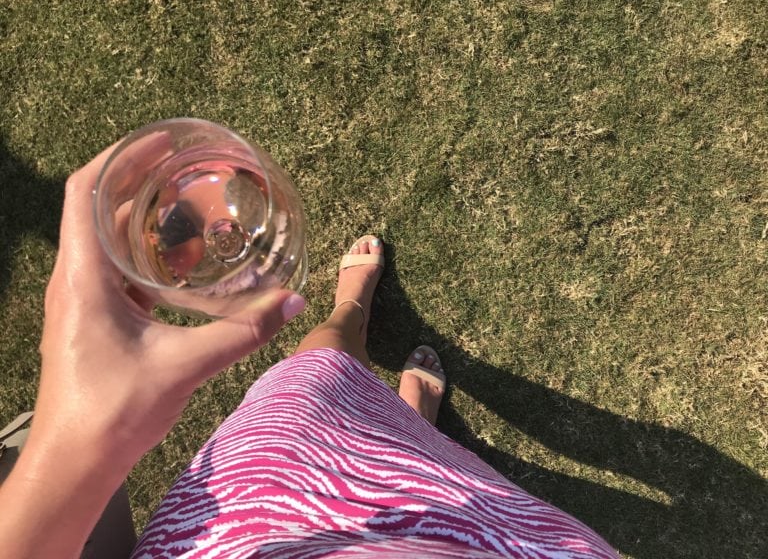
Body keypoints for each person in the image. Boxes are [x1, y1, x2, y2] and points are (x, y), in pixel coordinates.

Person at [0, 147, 619, 559]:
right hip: (474, 537)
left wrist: (77, 443)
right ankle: (411, 425)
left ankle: (351, 312)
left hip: (251, 522)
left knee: (319, 380)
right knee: (375, 426)